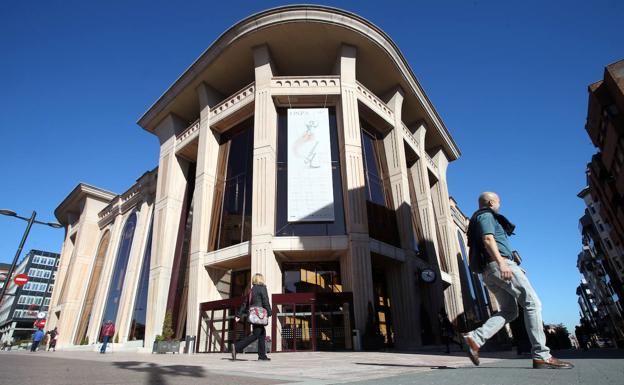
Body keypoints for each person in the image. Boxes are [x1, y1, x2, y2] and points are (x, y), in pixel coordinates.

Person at [461, 192, 573, 369]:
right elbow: (488, 239)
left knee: (509, 311)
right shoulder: (486, 215)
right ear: (491, 202)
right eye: (499, 201)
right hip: (498, 265)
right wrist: (503, 263)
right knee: (533, 304)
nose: (500, 204)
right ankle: (542, 355)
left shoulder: (481, 218)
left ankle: (475, 338)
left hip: (490, 270)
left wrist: (511, 264)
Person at [231, 273, 272, 361]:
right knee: (256, 334)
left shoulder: (251, 290)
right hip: (259, 315)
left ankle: (262, 356)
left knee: (261, 334)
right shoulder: (262, 288)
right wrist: (269, 312)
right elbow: (265, 301)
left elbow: (245, 303)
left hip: (253, 315)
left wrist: (239, 315)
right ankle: (237, 347)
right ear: (261, 279)